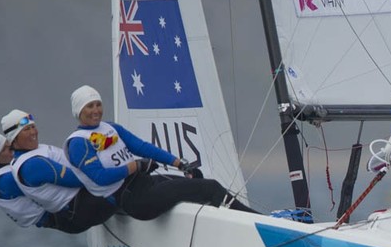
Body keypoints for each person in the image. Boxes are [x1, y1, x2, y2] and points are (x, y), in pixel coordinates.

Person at [65, 85, 257, 220]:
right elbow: (100, 177)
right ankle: (255, 221)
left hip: (142, 184)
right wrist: (135, 166)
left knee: (195, 177)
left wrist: (177, 162)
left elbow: (142, 147)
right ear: (79, 111)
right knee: (211, 188)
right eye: (89, 106)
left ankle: (231, 221)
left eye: (98, 104)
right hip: (133, 200)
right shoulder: (78, 143)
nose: (96, 110)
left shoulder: (111, 128)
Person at [1, 109, 117, 234]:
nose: (33, 132)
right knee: (125, 180)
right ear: (14, 138)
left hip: (80, 205)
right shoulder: (31, 165)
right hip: (80, 211)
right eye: (26, 129)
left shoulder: (32, 151)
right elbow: (79, 179)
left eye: (33, 127)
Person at [0, 128, 61, 230]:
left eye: (8, 144)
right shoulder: (4, 180)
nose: (12, 148)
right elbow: (51, 183)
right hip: (56, 217)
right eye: (5, 149)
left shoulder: (9, 167)